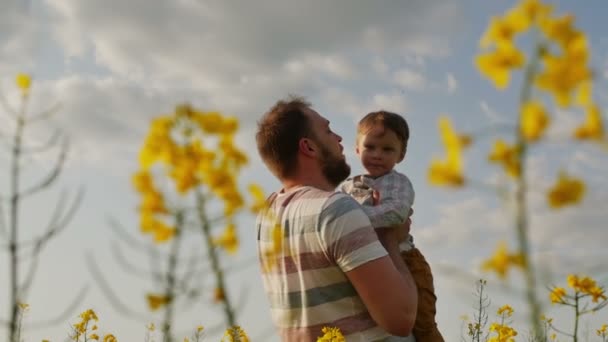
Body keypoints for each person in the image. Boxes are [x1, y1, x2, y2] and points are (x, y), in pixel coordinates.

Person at [255, 96, 418, 341]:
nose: (340, 138)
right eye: (328, 131)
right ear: (309, 147)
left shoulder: (267, 214)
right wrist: (390, 238)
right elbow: (401, 319)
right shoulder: (336, 209)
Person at [338, 110, 445, 342]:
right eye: (370, 147)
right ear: (357, 148)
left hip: (405, 259)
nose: (377, 155)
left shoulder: (398, 183)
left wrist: (354, 218)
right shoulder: (347, 187)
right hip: (366, 260)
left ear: (401, 155)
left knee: (423, 321)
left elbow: (396, 214)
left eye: (387, 149)